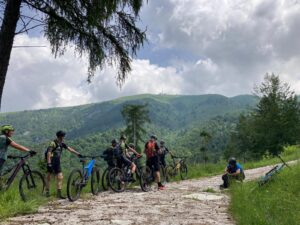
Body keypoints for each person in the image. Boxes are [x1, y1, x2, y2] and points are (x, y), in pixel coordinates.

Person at [45, 130, 82, 199]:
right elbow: (48, 153)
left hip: (57, 163)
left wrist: (78, 154)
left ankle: (59, 194)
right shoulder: (53, 143)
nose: (64, 138)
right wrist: (49, 163)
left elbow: (69, 149)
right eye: (63, 136)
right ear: (61, 137)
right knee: (48, 177)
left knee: (60, 177)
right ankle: (47, 193)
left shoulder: (62, 144)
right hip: (51, 162)